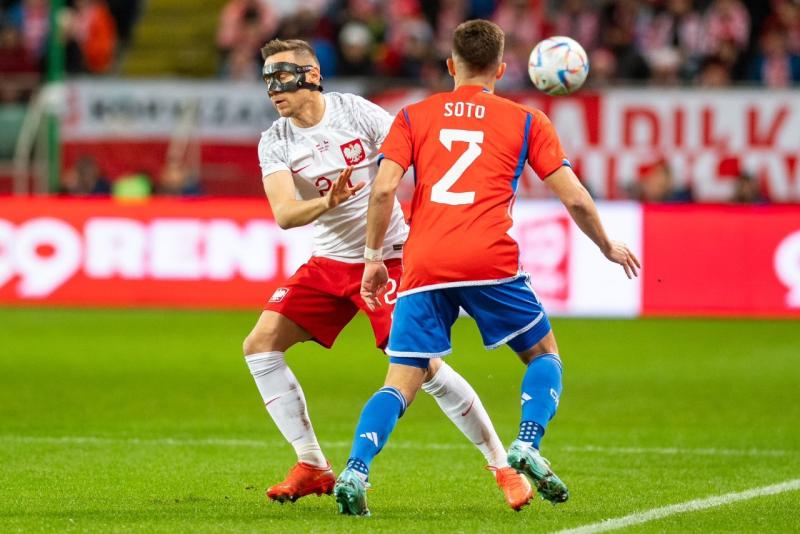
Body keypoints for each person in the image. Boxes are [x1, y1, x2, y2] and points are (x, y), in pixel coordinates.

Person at [334, 19, 641, 516]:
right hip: (488, 259)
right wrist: (606, 243)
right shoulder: (526, 121)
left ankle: (356, 468)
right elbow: (575, 199)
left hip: (424, 262)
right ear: (501, 68)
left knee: (400, 379)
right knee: (544, 355)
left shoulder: (412, 115)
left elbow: (385, 189)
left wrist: (372, 260)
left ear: (450, 65)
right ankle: (527, 444)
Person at [247, 38, 533, 510]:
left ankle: (502, 466)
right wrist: (328, 202)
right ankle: (313, 463)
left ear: (312, 76)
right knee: (260, 345)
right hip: (328, 262)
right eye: (267, 80)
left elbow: (422, 156)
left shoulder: (357, 114)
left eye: (282, 77)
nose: (273, 89)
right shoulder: (275, 139)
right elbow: (284, 213)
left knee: (425, 368)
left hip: (389, 259)